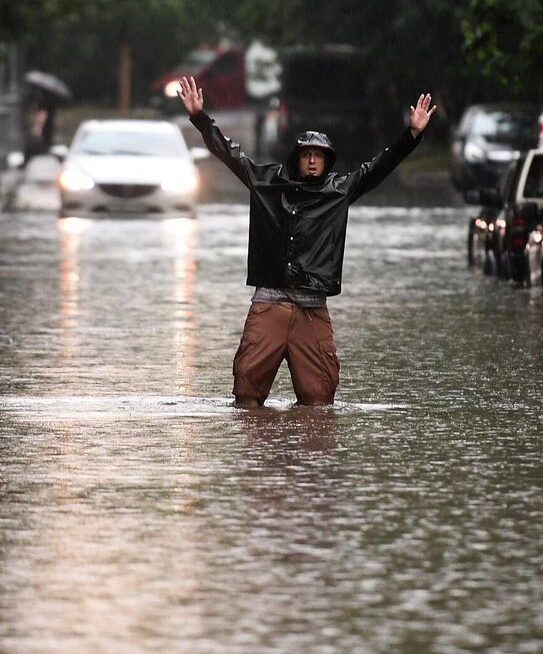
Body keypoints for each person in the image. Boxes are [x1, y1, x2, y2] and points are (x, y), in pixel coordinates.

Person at [177, 75, 439, 406]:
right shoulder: (266, 182)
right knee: (246, 399)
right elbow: (231, 155)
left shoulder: (339, 190)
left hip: (312, 310)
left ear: (328, 160)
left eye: (319, 155)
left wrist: (412, 134)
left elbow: (378, 168)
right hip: (269, 304)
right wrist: (200, 118)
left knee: (320, 403)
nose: (313, 160)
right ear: (297, 157)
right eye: (307, 154)